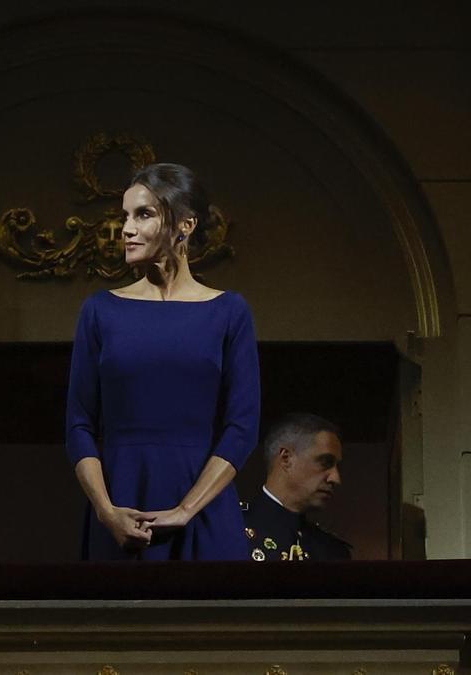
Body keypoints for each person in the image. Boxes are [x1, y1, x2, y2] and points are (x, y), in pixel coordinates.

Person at [65, 163, 260, 560]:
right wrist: (106, 511)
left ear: (184, 226)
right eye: (125, 216)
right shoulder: (100, 311)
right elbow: (78, 423)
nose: (126, 229)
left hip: (204, 510)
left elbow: (242, 426)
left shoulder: (229, 312)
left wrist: (186, 510)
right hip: (121, 509)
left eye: (144, 214)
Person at [244, 413, 351, 561]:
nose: (335, 478)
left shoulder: (331, 551)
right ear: (286, 459)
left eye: (337, 467)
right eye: (325, 462)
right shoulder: (231, 529)